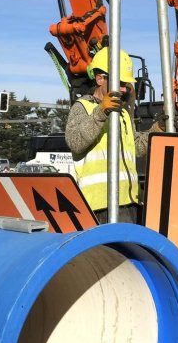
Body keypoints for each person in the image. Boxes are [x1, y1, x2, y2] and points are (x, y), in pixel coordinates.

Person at [65, 46, 163, 223]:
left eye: (126, 84)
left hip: (130, 200)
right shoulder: (83, 107)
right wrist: (101, 112)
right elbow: (75, 142)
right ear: (100, 79)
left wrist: (158, 130)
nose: (124, 89)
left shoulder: (123, 112)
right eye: (120, 83)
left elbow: (135, 148)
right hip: (100, 206)